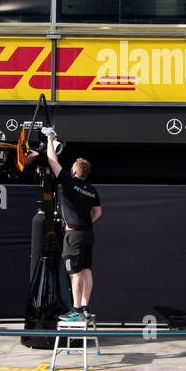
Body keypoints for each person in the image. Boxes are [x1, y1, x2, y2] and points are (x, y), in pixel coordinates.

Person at [45, 129, 102, 322]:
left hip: (74, 236)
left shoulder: (70, 183)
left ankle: (76, 309)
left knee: (74, 273)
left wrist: (50, 139)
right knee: (86, 270)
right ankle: (85, 307)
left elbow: (52, 161)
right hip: (87, 234)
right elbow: (98, 213)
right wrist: (85, 223)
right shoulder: (92, 190)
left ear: (75, 171)